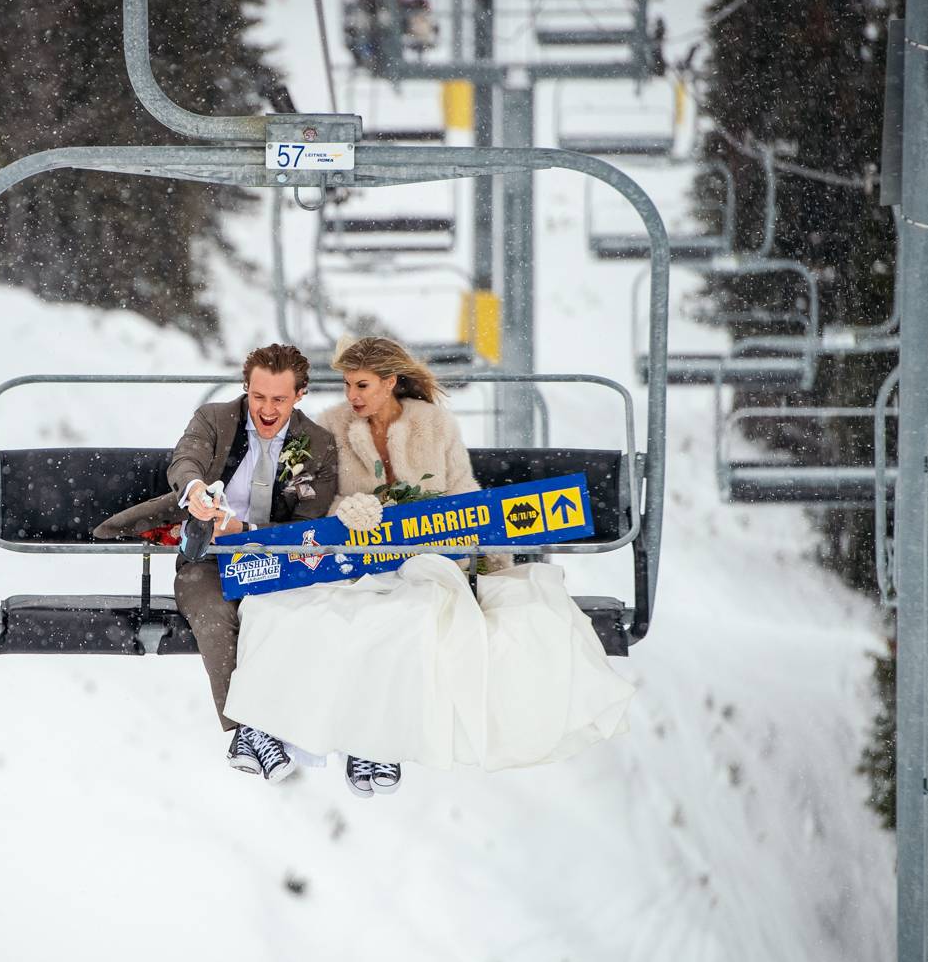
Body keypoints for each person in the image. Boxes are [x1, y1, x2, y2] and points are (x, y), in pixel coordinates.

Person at [223, 337, 634, 797]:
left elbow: (462, 493)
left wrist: (492, 563)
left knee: (411, 618)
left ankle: (375, 741)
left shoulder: (433, 426)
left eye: (362, 385)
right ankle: (308, 731)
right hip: (355, 560)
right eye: (346, 385)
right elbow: (310, 498)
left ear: (391, 382)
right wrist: (344, 510)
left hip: (424, 559)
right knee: (312, 616)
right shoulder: (330, 428)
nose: (352, 396)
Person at [93, 344, 338, 784]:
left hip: (277, 560)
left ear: (299, 395)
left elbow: (308, 521)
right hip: (209, 557)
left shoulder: (318, 445)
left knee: (300, 618)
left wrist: (245, 531)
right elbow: (186, 459)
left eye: (278, 400)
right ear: (247, 388)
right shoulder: (215, 419)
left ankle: (307, 726)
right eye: (258, 396)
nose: (266, 409)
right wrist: (197, 491)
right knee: (212, 613)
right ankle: (247, 729)